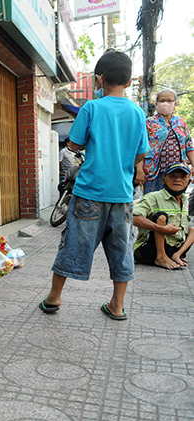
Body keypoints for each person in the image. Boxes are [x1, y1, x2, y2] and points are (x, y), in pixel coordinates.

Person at [39, 50, 150, 321]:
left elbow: (74, 144)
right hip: (122, 197)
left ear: (99, 78)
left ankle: (54, 298)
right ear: (129, 79)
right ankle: (117, 306)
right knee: (121, 250)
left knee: (73, 243)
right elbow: (140, 153)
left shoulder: (91, 107)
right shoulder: (137, 113)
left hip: (90, 192)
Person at [133, 162, 194, 270]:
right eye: (173, 176)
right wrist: (161, 228)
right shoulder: (154, 197)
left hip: (173, 248)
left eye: (182, 177)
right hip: (151, 250)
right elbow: (132, 217)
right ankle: (161, 257)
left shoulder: (185, 199)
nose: (178, 180)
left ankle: (177, 255)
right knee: (161, 217)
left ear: (189, 182)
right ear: (163, 180)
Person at [135, 88, 194, 194]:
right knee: (153, 203)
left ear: (175, 104)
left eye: (169, 100)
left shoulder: (180, 122)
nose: (166, 103)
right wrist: (139, 170)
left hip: (177, 173)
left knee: (175, 203)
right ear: (157, 103)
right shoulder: (149, 123)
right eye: (162, 101)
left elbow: (189, 146)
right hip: (153, 173)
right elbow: (139, 146)